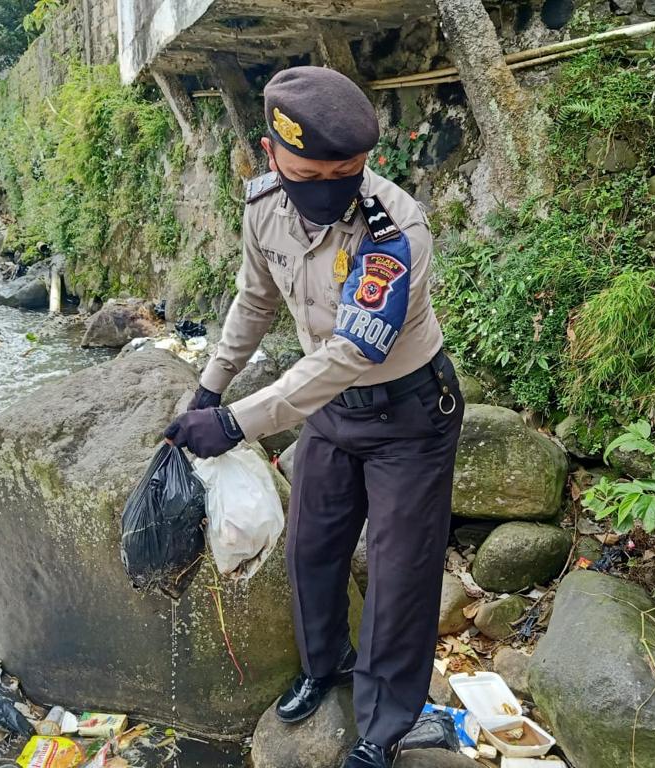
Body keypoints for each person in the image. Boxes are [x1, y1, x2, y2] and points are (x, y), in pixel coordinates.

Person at [165, 65, 465, 768]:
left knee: (398, 575)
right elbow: (253, 300)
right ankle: (322, 666)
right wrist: (209, 388)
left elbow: (351, 353)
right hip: (328, 414)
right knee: (312, 550)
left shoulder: (396, 232)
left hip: (407, 417)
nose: (331, 186)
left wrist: (238, 422)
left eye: (348, 171)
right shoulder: (263, 204)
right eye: (311, 172)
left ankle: (381, 730)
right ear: (273, 155)